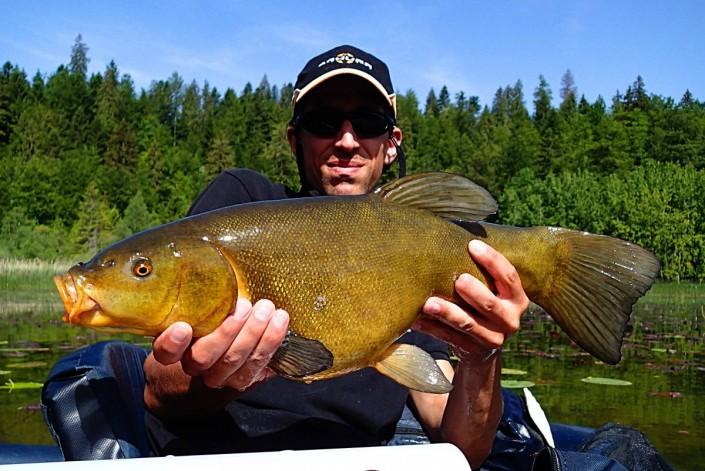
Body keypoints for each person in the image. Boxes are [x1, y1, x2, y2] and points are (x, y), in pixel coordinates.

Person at [142, 45, 529, 469]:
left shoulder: (416, 244)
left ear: (391, 143)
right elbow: (160, 388)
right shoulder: (242, 203)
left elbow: (463, 446)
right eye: (324, 122)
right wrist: (230, 374)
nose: (347, 141)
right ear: (296, 138)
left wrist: (483, 354)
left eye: (367, 123)